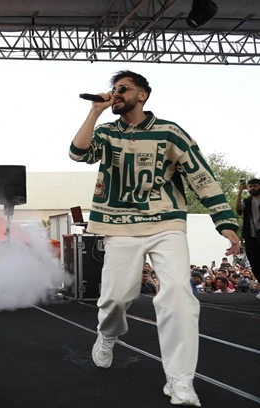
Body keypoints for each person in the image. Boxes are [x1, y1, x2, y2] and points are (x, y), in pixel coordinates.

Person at [69, 70, 240, 407]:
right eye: (113, 89)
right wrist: (95, 111)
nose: (116, 93)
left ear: (143, 94)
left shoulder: (170, 132)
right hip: (120, 226)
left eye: (123, 88)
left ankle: (180, 380)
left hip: (166, 223)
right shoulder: (106, 132)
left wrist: (225, 222)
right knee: (115, 299)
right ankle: (108, 333)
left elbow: (201, 176)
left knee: (178, 295)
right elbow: (78, 153)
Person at [236, 178, 260, 299]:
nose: (252, 188)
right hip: (251, 236)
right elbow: (238, 210)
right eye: (250, 186)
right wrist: (239, 192)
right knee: (254, 262)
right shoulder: (247, 201)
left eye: (255, 186)